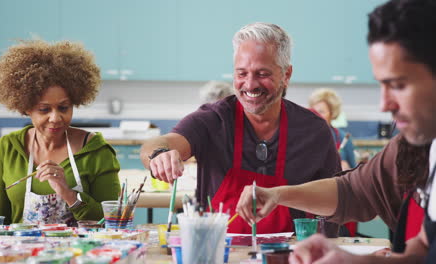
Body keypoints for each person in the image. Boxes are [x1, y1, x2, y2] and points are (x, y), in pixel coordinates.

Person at [238, 0, 436, 262]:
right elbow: (353, 191)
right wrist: (278, 195)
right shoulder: (419, 148)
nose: (384, 104)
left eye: (398, 85)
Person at [140, 22, 342, 235]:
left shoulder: (314, 131)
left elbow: (337, 200)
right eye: (242, 73)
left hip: (288, 255)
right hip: (218, 251)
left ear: (286, 75)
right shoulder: (213, 120)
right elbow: (156, 146)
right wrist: (160, 155)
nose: (250, 84)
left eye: (262, 73)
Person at [0, 40, 121, 226]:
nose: (56, 118)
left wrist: (68, 193)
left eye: (63, 107)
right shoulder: (8, 147)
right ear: (26, 108)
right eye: (44, 109)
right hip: (22, 252)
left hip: (84, 253)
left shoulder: (96, 151)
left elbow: (113, 222)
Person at [308, 88, 356, 170]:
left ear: (332, 113)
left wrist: (345, 168)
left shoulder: (343, 138)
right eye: (314, 111)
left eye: (321, 112)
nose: (316, 115)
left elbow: (354, 170)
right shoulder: (304, 135)